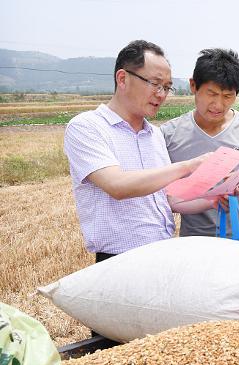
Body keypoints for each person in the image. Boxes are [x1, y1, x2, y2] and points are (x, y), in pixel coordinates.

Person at [64, 40, 215, 262]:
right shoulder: (87, 127)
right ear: (123, 79)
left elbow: (168, 199)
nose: (161, 94)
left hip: (162, 252)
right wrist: (188, 166)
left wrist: (214, 197)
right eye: (155, 83)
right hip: (119, 258)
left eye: (167, 87)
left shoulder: (154, 135)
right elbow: (117, 185)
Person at [161, 48, 239, 238]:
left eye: (227, 96)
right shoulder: (169, 135)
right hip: (194, 245)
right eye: (211, 94)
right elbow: (159, 200)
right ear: (193, 86)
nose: (218, 105)